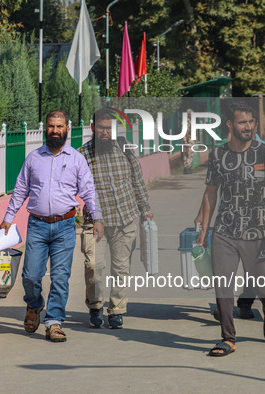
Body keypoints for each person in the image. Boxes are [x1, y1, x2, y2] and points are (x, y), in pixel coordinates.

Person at [196, 102, 265, 356]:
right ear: (230, 125)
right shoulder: (217, 155)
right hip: (225, 230)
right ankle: (228, 338)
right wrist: (204, 227)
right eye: (242, 122)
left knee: (263, 285)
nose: (248, 127)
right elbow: (210, 193)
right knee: (223, 285)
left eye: (251, 122)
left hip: (256, 230)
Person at [0, 110, 98, 343]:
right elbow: (21, 189)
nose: (55, 130)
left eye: (59, 126)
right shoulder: (34, 158)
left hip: (65, 226)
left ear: (67, 129)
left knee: (60, 276)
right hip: (37, 226)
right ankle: (34, 305)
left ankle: (54, 321)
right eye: (51, 126)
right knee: (31, 276)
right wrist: (8, 217)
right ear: (46, 129)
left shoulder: (76, 159)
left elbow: (88, 191)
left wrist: (98, 217)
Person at [79, 108, 152, 329]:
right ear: (93, 128)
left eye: (109, 128)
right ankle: (95, 306)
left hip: (125, 218)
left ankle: (117, 310)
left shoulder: (124, 148)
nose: (105, 132)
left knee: (121, 268)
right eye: (101, 128)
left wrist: (145, 208)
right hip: (95, 221)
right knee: (93, 265)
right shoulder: (82, 154)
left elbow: (137, 178)